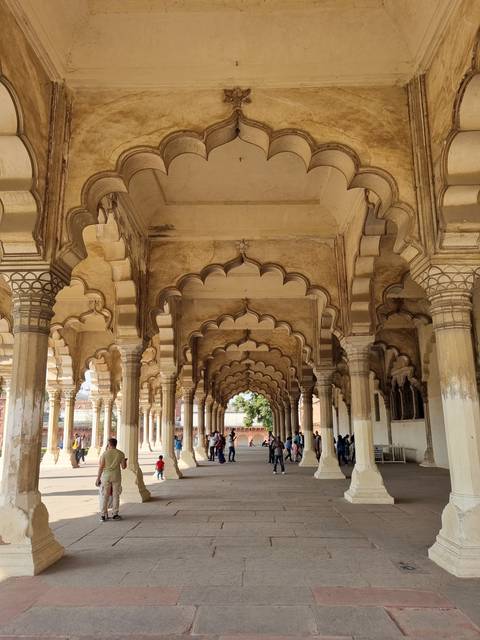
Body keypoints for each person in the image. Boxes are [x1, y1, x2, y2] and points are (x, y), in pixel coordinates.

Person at [95, 437, 127, 522]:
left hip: (106, 477)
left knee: (105, 495)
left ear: (109, 444)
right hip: (116, 476)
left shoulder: (104, 454)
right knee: (116, 495)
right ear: (115, 444)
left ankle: (103, 515)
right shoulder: (121, 454)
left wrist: (98, 478)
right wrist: (125, 461)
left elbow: (101, 467)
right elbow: (123, 467)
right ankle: (115, 514)